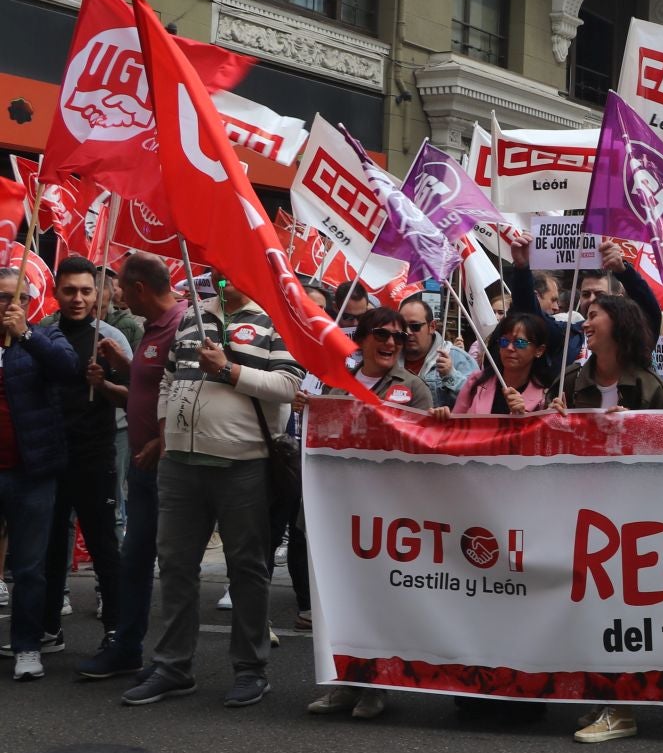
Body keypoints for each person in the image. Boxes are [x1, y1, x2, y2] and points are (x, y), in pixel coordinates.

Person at [122, 270, 301, 709]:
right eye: (217, 267)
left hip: (243, 464)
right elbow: (168, 378)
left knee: (246, 570)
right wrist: (166, 429)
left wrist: (229, 369)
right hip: (180, 464)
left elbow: (289, 386)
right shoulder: (193, 316)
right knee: (177, 568)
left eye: (231, 264)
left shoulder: (278, 320)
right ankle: (173, 667)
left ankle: (250, 669)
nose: (223, 275)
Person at [561, 295, 663, 746]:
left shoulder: (649, 386)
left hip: (633, 518)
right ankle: (605, 692)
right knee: (589, 605)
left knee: (621, 605)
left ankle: (621, 705)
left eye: (593, 315)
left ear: (619, 323)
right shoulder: (570, 381)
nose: (585, 322)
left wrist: (642, 427)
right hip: (580, 510)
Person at [303, 310, 432, 720]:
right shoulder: (333, 383)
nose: (392, 342)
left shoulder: (415, 389)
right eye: (382, 334)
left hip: (391, 515)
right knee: (341, 599)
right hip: (339, 510)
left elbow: (427, 448)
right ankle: (344, 683)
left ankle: (378, 685)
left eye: (400, 335)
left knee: (382, 599)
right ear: (360, 338)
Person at [75, 253, 183, 681]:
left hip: (169, 471)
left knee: (171, 564)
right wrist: (112, 378)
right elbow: (141, 394)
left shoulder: (181, 327)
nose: (114, 293)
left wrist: (162, 440)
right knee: (136, 558)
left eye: (119, 286)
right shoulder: (152, 330)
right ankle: (129, 648)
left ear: (139, 288)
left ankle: (173, 661)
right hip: (143, 470)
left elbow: (186, 394)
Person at [41, 257, 130, 657]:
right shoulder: (41, 332)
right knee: (50, 544)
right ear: (57, 292)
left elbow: (137, 395)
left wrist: (108, 381)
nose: (78, 299)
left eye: (86, 290)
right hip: (48, 455)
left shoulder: (110, 338)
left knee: (103, 544)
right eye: (69, 290)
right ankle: (47, 627)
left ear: (98, 294)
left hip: (95, 454)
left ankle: (116, 629)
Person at [0, 265, 78, 680]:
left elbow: (69, 370)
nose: (10, 305)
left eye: (19, 298)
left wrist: (26, 334)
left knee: (30, 568)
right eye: (2, 297)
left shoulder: (45, 336)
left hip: (31, 472)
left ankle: (27, 648)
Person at [445, 313, 556, 416]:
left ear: (539, 351)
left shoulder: (545, 398)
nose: (510, 348)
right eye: (504, 341)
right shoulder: (476, 381)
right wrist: (442, 417)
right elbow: (455, 426)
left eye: (520, 343)